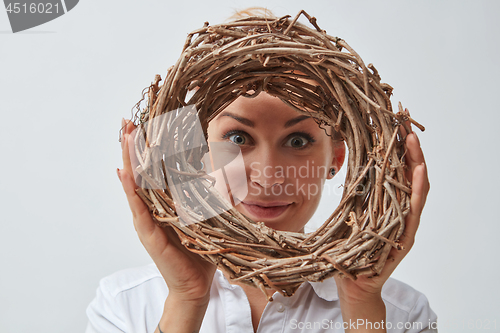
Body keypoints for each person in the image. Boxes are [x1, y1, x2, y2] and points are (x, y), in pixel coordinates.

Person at [86, 10, 436, 333]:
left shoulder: (401, 314)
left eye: (298, 141)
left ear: (338, 158)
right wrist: (187, 299)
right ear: (195, 154)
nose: (268, 176)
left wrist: (361, 304)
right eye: (238, 137)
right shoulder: (125, 305)